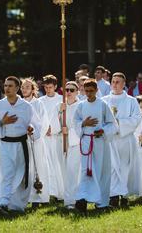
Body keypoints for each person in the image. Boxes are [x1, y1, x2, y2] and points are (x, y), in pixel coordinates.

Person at [0, 76, 41, 215]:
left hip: (22, 145)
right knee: (7, 174)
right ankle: (3, 203)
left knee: (21, 175)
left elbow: (36, 125)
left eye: (10, 86)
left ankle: (17, 205)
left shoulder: (26, 106)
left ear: (17, 88)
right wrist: (2, 122)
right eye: (5, 86)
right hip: (6, 144)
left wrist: (31, 129)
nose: (7, 88)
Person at [73, 78, 119, 212]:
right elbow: (75, 121)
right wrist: (83, 124)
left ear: (96, 90)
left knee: (101, 171)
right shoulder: (81, 105)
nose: (88, 93)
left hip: (100, 143)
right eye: (86, 91)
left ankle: (102, 203)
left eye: (91, 91)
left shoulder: (103, 104)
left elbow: (113, 124)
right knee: (87, 171)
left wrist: (103, 130)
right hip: (86, 142)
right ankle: (82, 201)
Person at [102, 72, 142, 207]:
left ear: (124, 84)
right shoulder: (104, 100)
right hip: (110, 140)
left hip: (125, 138)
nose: (115, 84)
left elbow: (136, 118)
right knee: (111, 167)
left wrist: (118, 122)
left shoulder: (131, 100)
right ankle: (113, 196)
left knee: (124, 167)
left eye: (118, 82)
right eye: (113, 81)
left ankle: (124, 195)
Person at [20, 78, 50, 208]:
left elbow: (44, 123)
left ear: (33, 89)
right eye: (22, 87)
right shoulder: (18, 103)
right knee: (24, 168)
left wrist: (35, 134)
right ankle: (23, 197)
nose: (24, 89)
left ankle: (37, 198)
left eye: (27, 87)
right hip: (21, 141)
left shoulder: (38, 104)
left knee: (38, 167)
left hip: (36, 141)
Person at [55, 81, 81, 209]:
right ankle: (67, 198)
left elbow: (83, 125)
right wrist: (60, 112)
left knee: (73, 171)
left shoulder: (81, 106)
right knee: (64, 171)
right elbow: (53, 123)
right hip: (61, 141)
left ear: (77, 92)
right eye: (67, 90)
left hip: (75, 143)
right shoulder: (61, 106)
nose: (69, 92)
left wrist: (69, 132)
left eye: (72, 90)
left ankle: (74, 200)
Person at [39, 75, 64, 200]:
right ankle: (49, 191)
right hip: (44, 136)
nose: (48, 90)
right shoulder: (40, 101)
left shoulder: (61, 99)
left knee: (57, 163)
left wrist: (54, 128)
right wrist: (45, 129)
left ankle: (60, 191)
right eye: (46, 87)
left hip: (57, 136)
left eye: (50, 87)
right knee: (47, 163)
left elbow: (63, 117)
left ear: (55, 87)